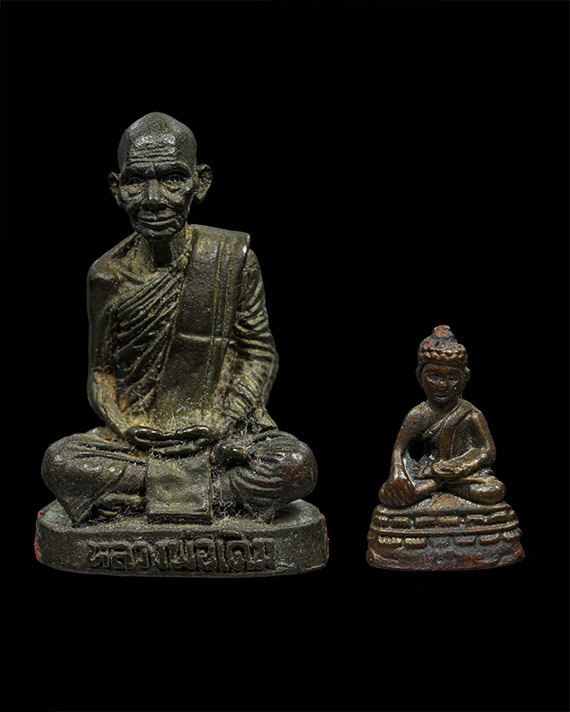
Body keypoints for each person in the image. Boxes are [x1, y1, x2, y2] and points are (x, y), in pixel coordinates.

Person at [42, 112, 317, 525]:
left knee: (295, 462)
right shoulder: (106, 276)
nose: (153, 199)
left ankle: (145, 495)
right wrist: (126, 427)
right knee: (60, 461)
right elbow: (101, 374)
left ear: (199, 183)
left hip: (219, 437)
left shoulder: (231, 258)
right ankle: (206, 493)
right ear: (117, 189)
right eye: (136, 182)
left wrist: (222, 422)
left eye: (172, 179)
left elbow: (259, 353)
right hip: (138, 443)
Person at [378, 325, 505, 508]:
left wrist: (460, 467)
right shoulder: (418, 415)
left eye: (452, 377)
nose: (443, 385)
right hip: (429, 472)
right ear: (419, 376)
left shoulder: (471, 414)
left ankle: (436, 486)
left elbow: (487, 451)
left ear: (465, 378)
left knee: (494, 490)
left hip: (463, 476)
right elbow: (399, 450)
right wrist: (398, 474)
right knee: (388, 494)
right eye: (434, 376)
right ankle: (437, 485)